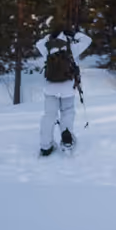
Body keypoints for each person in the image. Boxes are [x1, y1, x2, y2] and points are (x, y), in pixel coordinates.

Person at [37, 24, 91, 157]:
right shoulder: (72, 48)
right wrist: (74, 34)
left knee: (49, 115)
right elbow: (88, 40)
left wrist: (49, 36)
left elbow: (38, 43)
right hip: (68, 87)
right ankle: (67, 138)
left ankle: (46, 146)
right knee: (67, 112)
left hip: (50, 87)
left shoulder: (47, 48)